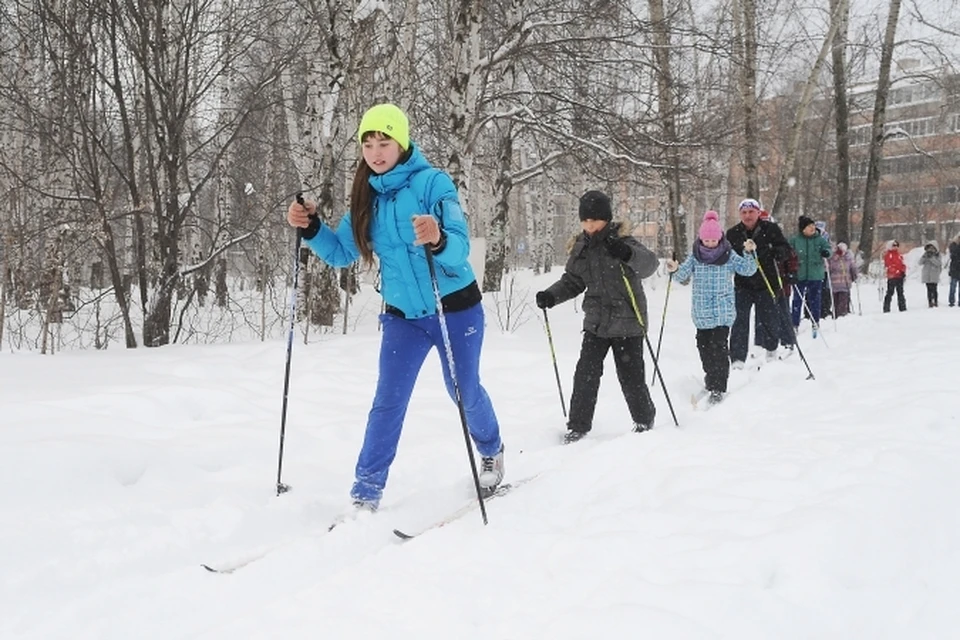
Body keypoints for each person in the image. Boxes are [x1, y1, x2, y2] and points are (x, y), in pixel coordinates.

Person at [286, 103, 504, 511]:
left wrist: (438, 238)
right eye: (368, 143)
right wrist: (312, 228)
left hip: (454, 308)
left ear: (401, 143)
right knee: (388, 401)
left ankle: (491, 449)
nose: (375, 152)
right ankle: (366, 490)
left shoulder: (433, 184)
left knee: (463, 389)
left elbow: (458, 251)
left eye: (384, 142)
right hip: (404, 316)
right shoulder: (366, 196)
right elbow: (341, 253)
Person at [535, 190, 659, 444]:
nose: (589, 225)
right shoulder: (581, 248)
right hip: (596, 323)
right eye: (585, 220)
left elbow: (649, 265)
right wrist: (551, 296)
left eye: (594, 220)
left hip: (628, 322)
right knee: (585, 374)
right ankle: (578, 426)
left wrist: (626, 253)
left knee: (631, 376)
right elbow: (572, 281)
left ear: (606, 219)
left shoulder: (623, 241)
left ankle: (644, 421)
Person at [666, 211, 757, 404]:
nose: (710, 244)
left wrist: (750, 253)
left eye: (713, 240)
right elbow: (682, 276)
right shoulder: (695, 256)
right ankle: (710, 378)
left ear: (719, 238)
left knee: (720, 349)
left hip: (722, 311)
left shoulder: (728, 254)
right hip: (701, 312)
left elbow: (747, 270)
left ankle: (718, 386)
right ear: (701, 239)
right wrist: (674, 269)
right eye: (706, 240)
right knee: (704, 348)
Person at [726, 198, 792, 366]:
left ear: (757, 212)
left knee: (769, 319)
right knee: (740, 320)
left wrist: (774, 251)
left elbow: (785, 250)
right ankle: (738, 358)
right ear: (740, 214)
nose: (748, 216)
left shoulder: (770, 229)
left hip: (767, 282)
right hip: (743, 284)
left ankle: (771, 350)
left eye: (751, 212)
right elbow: (727, 255)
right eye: (744, 212)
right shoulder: (733, 233)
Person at [789, 216, 832, 335]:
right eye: (809, 226)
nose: (813, 228)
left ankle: (815, 322)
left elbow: (828, 249)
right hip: (800, 274)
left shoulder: (820, 239)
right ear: (803, 229)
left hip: (816, 274)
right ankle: (795, 323)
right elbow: (788, 252)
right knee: (797, 300)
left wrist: (826, 252)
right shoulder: (795, 240)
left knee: (815, 300)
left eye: (813, 225)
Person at [827, 242, 857, 317]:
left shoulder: (847, 258)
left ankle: (840, 313)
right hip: (838, 283)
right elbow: (829, 268)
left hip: (843, 283)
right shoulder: (834, 258)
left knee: (841, 299)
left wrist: (854, 276)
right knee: (839, 299)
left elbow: (853, 268)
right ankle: (839, 313)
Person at [883, 239, 907, 313]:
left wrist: (903, 271)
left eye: (897, 245)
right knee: (890, 292)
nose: (895, 247)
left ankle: (902, 307)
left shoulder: (899, 255)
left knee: (900, 292)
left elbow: (903, 264)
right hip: (892, 276)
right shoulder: (888, 255)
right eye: (894, 245)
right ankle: (886, 308)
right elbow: (888, 265)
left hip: (899, 276)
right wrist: (894, 271)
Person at [918, 243, 942, 308]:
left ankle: (935, 301)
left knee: (934, 289)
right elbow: (920, 262)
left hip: (934, 274)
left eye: (932, 248)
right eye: (929, 248)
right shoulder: (925, 254)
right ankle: (930, 302)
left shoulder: (937, 255)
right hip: (927, 274)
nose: (931, 250)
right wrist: (925, 257)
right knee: (929, 289)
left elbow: (938, 263)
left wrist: (931, 258)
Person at [949, 234, 960, 307]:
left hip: (956, 268)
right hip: (954, 269)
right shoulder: (953, 246)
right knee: (953, 287)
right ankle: (951, 301)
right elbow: (953, 253)